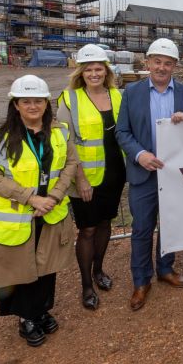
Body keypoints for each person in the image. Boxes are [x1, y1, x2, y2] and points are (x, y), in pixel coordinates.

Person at [0, 75, 78, 347]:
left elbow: (70, 165)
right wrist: (32, 199)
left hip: (50, 211)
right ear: (15, 105)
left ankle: (41, 310)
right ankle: (25, 318)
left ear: (46, 104)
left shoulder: (59, 132)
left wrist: (53, 197)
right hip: (18, 216)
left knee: (46, 266)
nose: (33, 106)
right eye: (26, 101)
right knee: (19, 268)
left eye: (38, 101)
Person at [115, 38, 183, 311]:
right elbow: (122, 132)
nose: (162, 67)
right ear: (148, 62)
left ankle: (165, 268)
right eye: (157, 61)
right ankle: (141, 280)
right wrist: (140, 155)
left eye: (168, 63)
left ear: (175, 66)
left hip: (175, 174)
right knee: (141, 228)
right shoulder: (132, 92)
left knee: (171, 224)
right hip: (144, 173)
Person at [56, 44, 125, 310]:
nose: (94, 74)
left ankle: (99, 271)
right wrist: (80, 178)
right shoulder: (69, 99)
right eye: (89, 70)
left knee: (105, 224)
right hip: (84, 178)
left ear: (106, 71)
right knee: (87, 230)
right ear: (80, 72)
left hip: (114, 173)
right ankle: (86, 284)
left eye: (99, 69)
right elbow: (66, 143)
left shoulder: (118, 95)